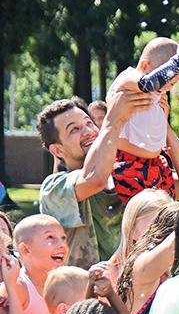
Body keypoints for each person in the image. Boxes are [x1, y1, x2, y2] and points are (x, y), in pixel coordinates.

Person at [36, 94, 148, 268]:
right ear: (57, 150)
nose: (89, 131)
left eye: (89, 123)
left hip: (131, 288)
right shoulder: (52, 189)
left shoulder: (125, 172)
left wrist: (165, 128)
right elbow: (95, 180)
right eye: (74, 129)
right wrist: (114, 119)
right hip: (81, 292)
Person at [108, 37, 179, 202]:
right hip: (128, 165)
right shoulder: (129, 79)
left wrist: (164, 120)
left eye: (173, 84)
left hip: (156, 165)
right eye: (167, 82)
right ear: (145, 66)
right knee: (143, 214)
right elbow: (148, 83)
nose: (167, 88)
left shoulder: (158, 96)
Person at [103, 190, 173, 284]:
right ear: (131, 229)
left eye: (168, 226)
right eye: (154, 226)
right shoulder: (109, 276)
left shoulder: (177, 272)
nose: (162, 232)